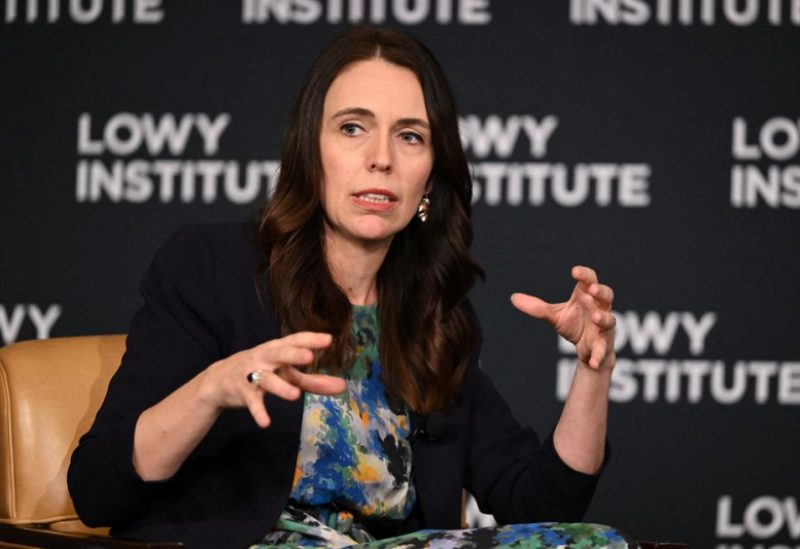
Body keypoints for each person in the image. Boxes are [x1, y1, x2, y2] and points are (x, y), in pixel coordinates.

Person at [68, 26, 622, 549]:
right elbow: (96, 489)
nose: (381, 158)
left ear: (430, 176)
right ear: (311, 150)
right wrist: (211, 390)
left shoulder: (437, 320)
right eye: (353, 127)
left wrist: (593, 373)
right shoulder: (212, 268)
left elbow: (543, 508)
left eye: (409, 136)